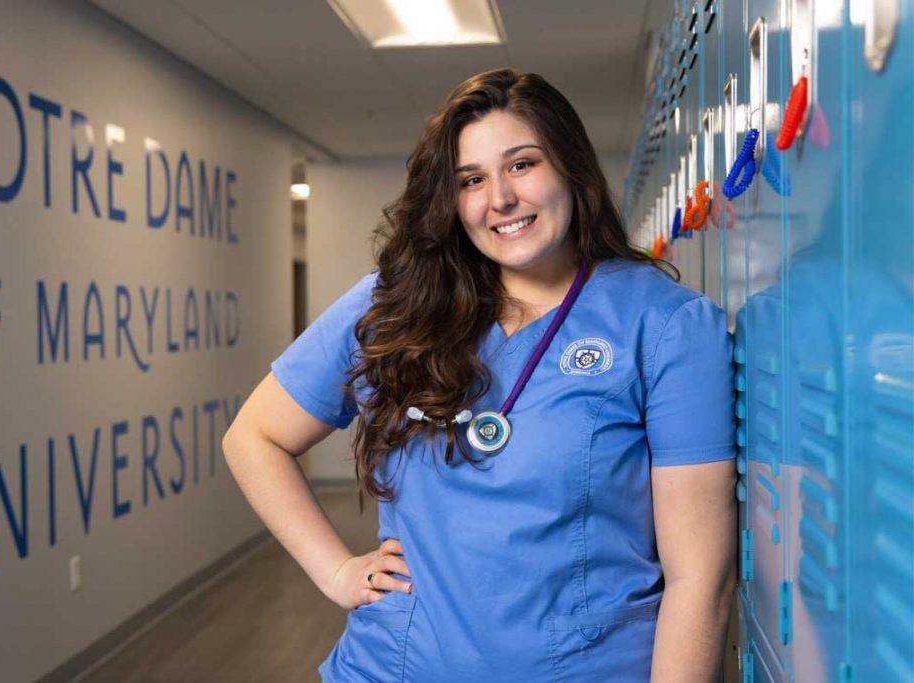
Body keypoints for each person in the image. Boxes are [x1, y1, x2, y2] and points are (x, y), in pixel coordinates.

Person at [222, 68, 737, 682]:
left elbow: (699, 577)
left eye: (522, 164)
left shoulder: (664, 325)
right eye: (472, 179)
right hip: (396, 666)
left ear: (571, 167)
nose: (500, 199)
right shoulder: (394, 306)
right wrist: (335, 571)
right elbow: (254, 437)